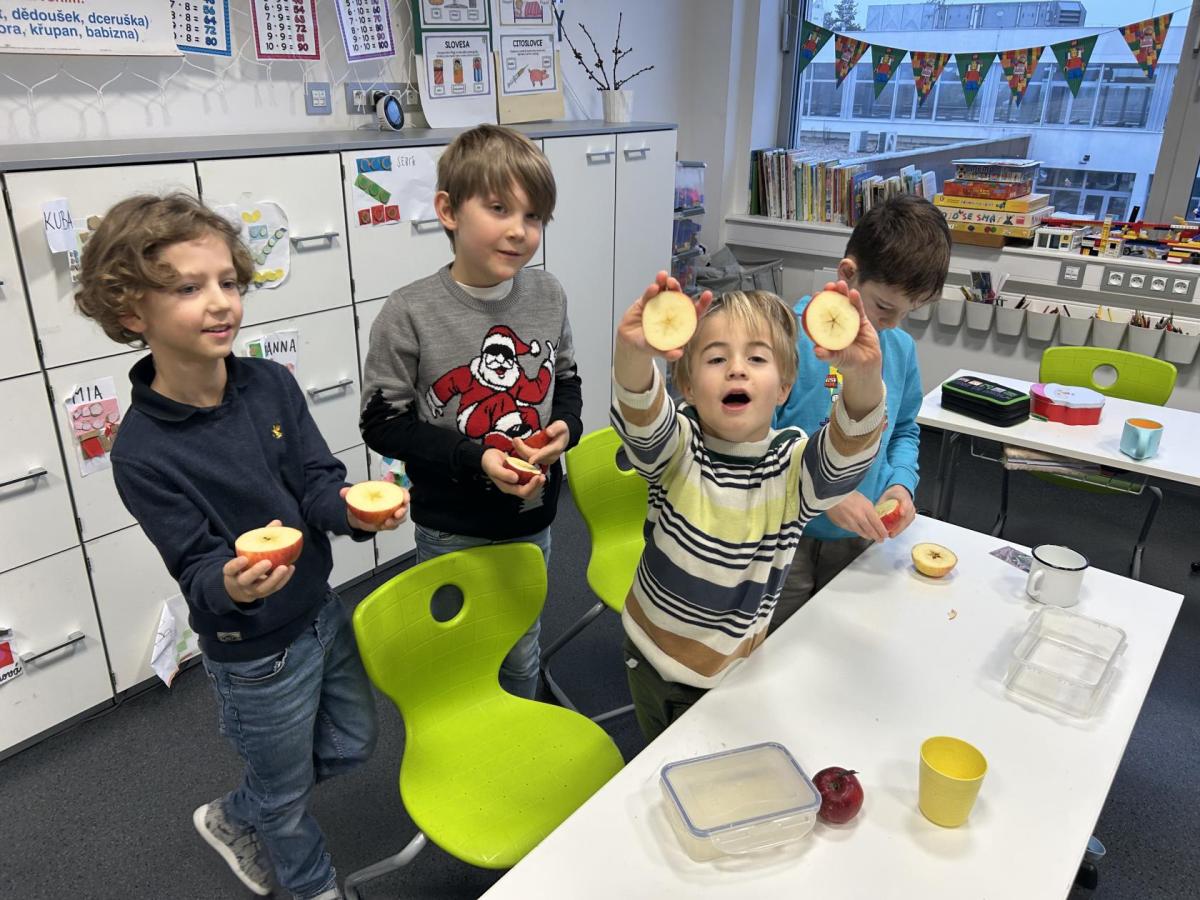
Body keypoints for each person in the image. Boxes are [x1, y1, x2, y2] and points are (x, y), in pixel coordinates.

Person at [75, 193, 403, 900]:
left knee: (354, 744)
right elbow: (195, 565)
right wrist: (231, 583)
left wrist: (353, 511)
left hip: (321, 610)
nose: (221, 301)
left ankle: (236, 812)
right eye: (188, 288)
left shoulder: (271, 385)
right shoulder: (141, 452)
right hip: (253, 652)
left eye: (228, 281)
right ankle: (312, 885)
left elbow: (317, 482)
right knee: (287, 800)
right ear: (131, 312)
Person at [611, 273, 887, 740]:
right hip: (646, 648)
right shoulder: (680, 445)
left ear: (783, 388)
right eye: (716, 358)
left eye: (757, 358)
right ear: (688, 386)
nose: (736, 369)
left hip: (729, 674)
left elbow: (845, 459)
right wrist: (634, 354)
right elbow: (643, 419)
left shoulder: (791, 466)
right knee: (650, 748)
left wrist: (863, 377)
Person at [360, 124, 582, 699]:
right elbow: (381, 422)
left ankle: (519, 726)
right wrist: (473, 457)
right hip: (452, 524)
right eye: (499, 208)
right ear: (448, 211)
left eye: (534, 217)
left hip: (532, 516)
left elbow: (565, 380)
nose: (519, 230)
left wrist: (567, 428)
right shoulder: (409, 312)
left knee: (521, 646)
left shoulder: (548, 295)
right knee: (461, 657)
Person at [770, 194, 951, 633]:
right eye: (884, 307)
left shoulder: (899, 349)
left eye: (909, 312)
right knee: (776, 646)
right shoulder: (784, 337)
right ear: (848, 273)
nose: (893, 323)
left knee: (841, 641)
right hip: (783, 535)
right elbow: (756, 441)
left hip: (861, 535)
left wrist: (901, 482)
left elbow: (904, 429)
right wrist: (825, 493)